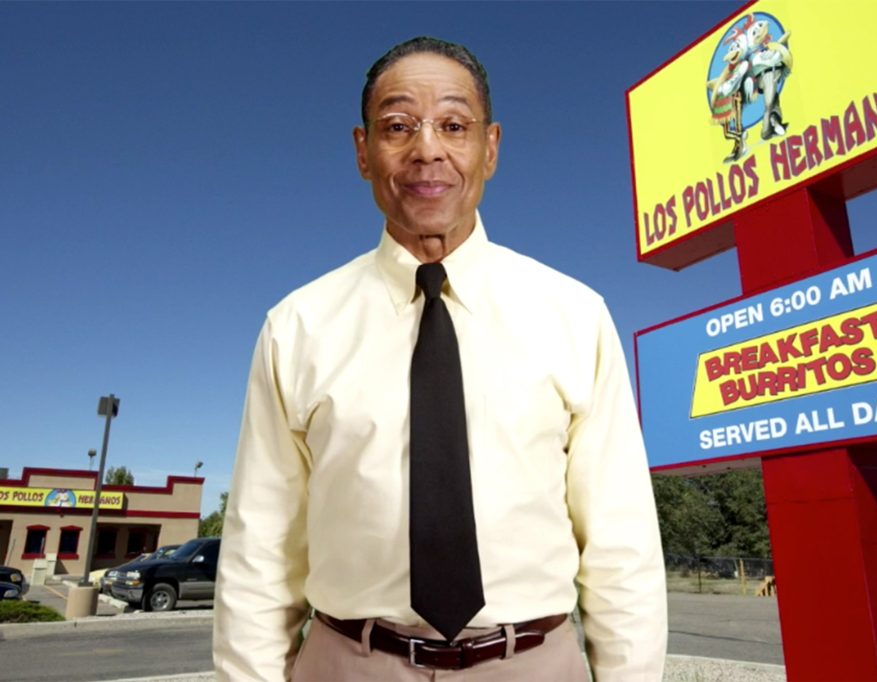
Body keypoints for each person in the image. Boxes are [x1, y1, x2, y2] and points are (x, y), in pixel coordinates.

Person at [213, 36, 667, 681]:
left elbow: (621, 541)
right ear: (364, 152)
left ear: (491, 148)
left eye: (454, 125)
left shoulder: (574, 314)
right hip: (348, 663)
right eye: (398, 126)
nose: (427, 148)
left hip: (533, 663)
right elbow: (261, 544)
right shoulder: (297, 326)